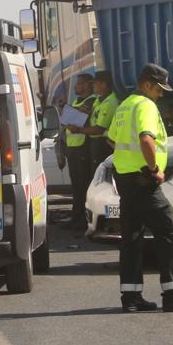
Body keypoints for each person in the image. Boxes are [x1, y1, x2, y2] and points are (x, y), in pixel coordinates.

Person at [107, 63, 173, 313]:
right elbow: (146, 138)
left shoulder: (125, 104)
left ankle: (131, 298)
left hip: (125, 180)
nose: (161, 94)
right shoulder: (145, 105)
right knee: (170, 232)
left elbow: (111, 138)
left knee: (132, 238)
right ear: (147, 84)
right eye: (159, 89)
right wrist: (153, 169)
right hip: (144, 180)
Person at [61, 74, 97, 230]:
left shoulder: (91, 100)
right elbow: (68, 117)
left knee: (83, 185)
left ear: (89, 84)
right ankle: (76, 217)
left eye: (79, 84)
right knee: (76, 186)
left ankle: (82, 220)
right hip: (73, 149)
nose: (76, 87)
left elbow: (76, 117)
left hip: (82, 148)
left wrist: (68, 110)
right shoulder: (77, 101)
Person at [81, 71, 119, 170]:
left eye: (95, 83)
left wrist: (78, 130)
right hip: (96, 143)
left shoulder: (110, 102)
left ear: (104, 84)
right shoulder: (99, 99)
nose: (92, 85)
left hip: (103, 144)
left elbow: (99, 129)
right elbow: (94, 116)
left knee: (101, 174)